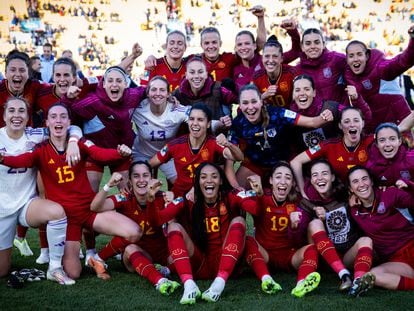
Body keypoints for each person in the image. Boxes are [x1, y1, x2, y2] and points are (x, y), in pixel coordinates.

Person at [0, 103, 141, 280]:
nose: (58, 120)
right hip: (66, 219)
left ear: (69, 122)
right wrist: (3, 158)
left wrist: (119, 153)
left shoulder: (79, 143)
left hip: (89, 209)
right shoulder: (40, 150)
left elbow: (99, 154)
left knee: (134, 232)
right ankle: (68, 257)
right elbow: (22, 160)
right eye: (53, 117)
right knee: (73, 272)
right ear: (47, 123)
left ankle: (98, 257)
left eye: (62, 117)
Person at [0, 97, 81, 284]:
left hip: (27, 205)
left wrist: (74, 141)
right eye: (11, 111)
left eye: (21, 111)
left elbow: (71, 127)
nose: (16, 115)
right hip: (2, 209)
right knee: (2, 270)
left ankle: (54, 268)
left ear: (28, 117)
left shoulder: (36, 134)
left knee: (56, 212)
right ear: (4, 116)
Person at [147, 162, 248, 304]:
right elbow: (158, 220)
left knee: (239, 221)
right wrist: (151, 199)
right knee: (173, 227)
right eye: (203, 177)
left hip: (226, 262)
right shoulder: (187, 199)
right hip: (198, 264)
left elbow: (256, 210)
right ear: (197, 182)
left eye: (214, 176)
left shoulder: (230, 196)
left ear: (220, 181)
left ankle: (219, 283)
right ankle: (189, 285)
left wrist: (258, 192)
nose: (209, 180)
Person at [87, 161, 180, 295]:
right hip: (137, 253)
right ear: (130, 180)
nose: (141, 180)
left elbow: (174, 225)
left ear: (152, 178)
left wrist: (170, 202)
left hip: (163, 253)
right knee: (131, 248)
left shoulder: (164, 197)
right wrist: (108, 186)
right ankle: (160, 281)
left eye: (145, 175)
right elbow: (94, 207)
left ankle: (162, 269)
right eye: (136, 176)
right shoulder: (124, 197)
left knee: (181, 255)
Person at [228, 84, 332, 189]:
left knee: (297, 192)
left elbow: (312, 122)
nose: (250, 107)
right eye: (245, 103)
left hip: (283, 162)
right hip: (255, 164)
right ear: (240, 106)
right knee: (237, 194)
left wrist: (325, 116)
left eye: (254, 101)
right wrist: (236, 186)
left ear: (261, 101)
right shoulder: (237, 123)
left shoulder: (277, 113)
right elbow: (229, 162)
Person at [243, 162, 321, 298]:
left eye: (288, 178)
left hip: (289, 255)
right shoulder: (262, 198)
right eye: (278, 177)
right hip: (265, 254)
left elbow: (297, 241)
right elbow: (257, 210)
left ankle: (301, 284)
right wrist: (259, 194)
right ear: (271, 181)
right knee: (248, 241)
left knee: (312, 249)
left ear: (293, 183)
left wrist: (295, 226)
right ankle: (266, 279)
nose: (283, 181)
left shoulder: (297, 202)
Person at [66, 66, 146, 192]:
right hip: (95, 153)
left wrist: (169, 97)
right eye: (110, 81)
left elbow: (150, 91)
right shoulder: (91, 102)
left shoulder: (133, 95)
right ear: (103, 84)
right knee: (89, 195)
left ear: (126, 84)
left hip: (122, 152)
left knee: (129, 195)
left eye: (119, 81)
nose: (114, 84)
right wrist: (68, 98)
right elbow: (67, 111)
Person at [303, 159, 373, 296]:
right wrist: (305, 219)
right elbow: (298, 233)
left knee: (366, 240)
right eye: (315, 175)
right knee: (314, 223)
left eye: (324, 173)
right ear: (310, 180)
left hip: (347, 254)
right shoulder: (307, 200)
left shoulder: (346, 195)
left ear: (333, 177)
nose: (320, 178)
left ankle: (358, 282)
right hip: (324, 257)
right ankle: (344, 275)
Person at [149, 103, 244, 197]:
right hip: (180, 197)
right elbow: (150, 164)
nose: (195, 123)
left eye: (200, 120)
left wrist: (228, 144)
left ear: (208, 124)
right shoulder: (175, 145)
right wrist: (151, 180)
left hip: (204, 196)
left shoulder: (214, 143)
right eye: (191, 119)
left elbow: (239, 157)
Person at [347, 166, 414, 293]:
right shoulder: (354, 209)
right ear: (350, 189)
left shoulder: (390, 194)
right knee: (373, 275)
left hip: (411, 245)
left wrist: (409, 186)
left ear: (371, 181)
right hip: (396, 260)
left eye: (364, 179)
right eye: (355, 182)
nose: (361, 184)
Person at [290, 107, 374, 197]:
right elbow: (296, 161)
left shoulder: (373, 140)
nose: (352, 125)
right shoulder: (327, 145)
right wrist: (303, 192)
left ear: (363, 123)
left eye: (356, 120)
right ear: (340, 126)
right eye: (346, 121)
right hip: (339, 196)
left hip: (366, 193)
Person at [344, 25, 414, 133]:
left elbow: (402, 61)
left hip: (399, 126)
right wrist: (356, 98)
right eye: (351, 56)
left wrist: (413, 40)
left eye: (359, 54)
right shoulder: (348, 77)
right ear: (347, 59)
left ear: (367, 56)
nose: (356, 59)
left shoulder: (379, 67)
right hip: (374, 132)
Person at [288, 74, 371, 154]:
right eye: (297, 90)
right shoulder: (287, 116)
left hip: (336, 159)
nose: (302, 93)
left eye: (306, 89)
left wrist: (356, 99)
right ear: (292, 94)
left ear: (314, 93)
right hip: (306, 163)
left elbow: (364, 118)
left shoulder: (331, 107)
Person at [132, 76, 189, 184]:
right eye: (153, 89)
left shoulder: (176, 109)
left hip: (167, 154)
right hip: (141, 153)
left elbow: (199, 117)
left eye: (162, 90)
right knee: (138, 184)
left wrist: (221, 123)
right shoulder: (138, 108)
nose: (158, 93)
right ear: (147, 93)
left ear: (168, 94)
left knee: (181, 184)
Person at [172, 57, 237, 121]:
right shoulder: (178, 93)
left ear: (206, 74)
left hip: (217, 130)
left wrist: (235, 87)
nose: (196, 76)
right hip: (188, 131)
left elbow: (241, 97)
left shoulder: (219, 89)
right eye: (192, 72)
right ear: (186, 75)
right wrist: (170, 98)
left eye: (200, 72)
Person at [294, 28, 347, 103]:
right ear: (302, 47)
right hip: (315, 114)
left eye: (317, 42)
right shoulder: (299, 69)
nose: (312, 46)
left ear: (324, 44)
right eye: (308, 43)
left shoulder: (337, 59)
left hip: (340, 112)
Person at [0, 50, 50, 127]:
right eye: (13, 70)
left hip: (26, 136)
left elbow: (55, 88)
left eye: (22, 70)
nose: (17, 74)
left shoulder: (34, 86)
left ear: (28, 73)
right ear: (6, 73)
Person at [253, 37, 296, 108]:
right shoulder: (256, 77)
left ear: (281, 58)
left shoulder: (292, 73)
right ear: (262, 58)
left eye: (275, 56)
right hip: (267, 116)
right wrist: (264, 95)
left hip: (291, 114)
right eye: (267, 56)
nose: (270, 60)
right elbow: (250, 102)